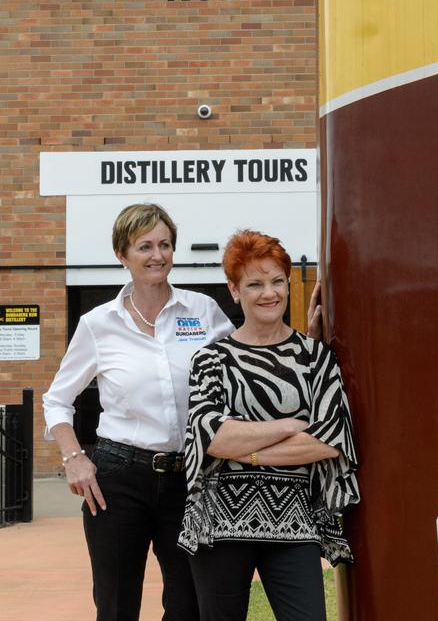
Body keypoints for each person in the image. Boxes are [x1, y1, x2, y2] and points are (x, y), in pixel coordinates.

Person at [42, 202, 321, 621]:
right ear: (123, 255)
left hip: (189, 480)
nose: (157, 255)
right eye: (145, 246)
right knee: (116, 604)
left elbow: (251, 353)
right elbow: (56, 399)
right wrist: (74, 458)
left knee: (188, 603)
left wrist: (306, 342)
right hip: (119, 479)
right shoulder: (99, 324)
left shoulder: (201, 311)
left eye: (165, 244)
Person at [178, 229, 359, 621]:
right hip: (220, 524)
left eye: (277, 281)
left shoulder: (315, 358)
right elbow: (212, 436)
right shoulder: (211, 360)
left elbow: (330, 439)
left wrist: (251, 451)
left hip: (294, 524)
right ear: (234, 289)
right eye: (255, 283)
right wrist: (290, 425)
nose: (269, 293)